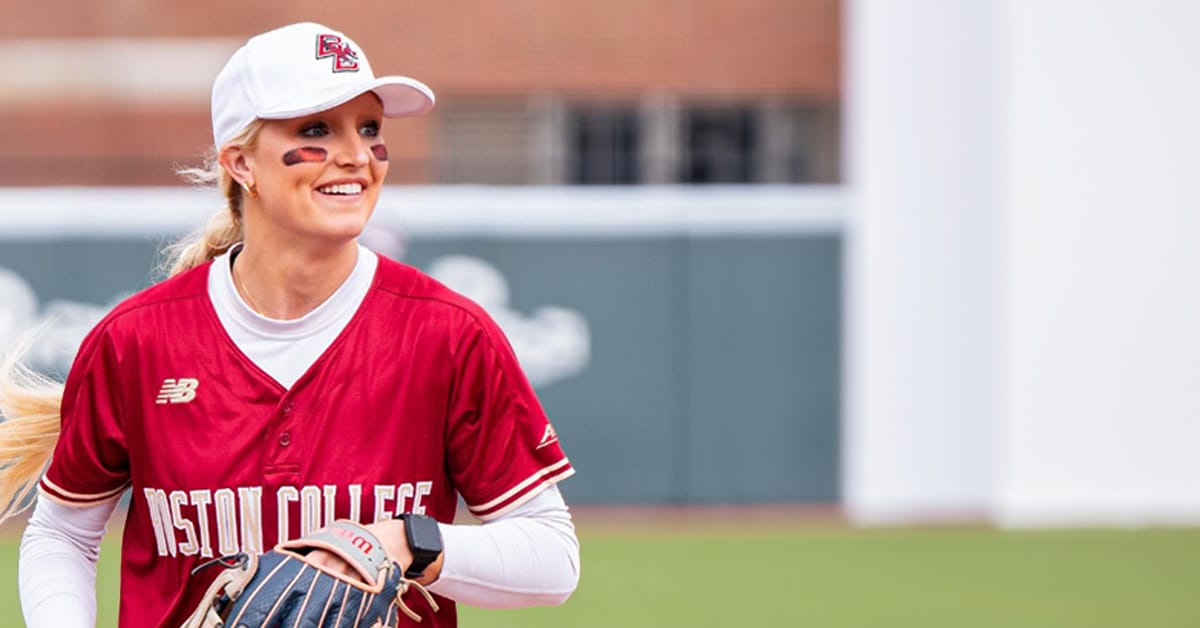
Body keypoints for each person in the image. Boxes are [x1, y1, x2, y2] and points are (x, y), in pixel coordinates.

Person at [0, 22, 579, 627]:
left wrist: (407, 543)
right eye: (316, 130)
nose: (356, 155)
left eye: (371, 128)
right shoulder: (136, 341)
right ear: (241, 162)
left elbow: (551, 557)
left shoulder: (447, 334)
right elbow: (61, 535)